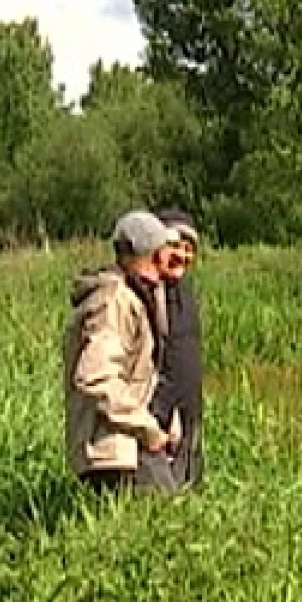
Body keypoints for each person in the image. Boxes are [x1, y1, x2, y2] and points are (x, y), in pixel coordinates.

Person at [63, 210, 181, 495]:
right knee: (164, 525)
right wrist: (147, 429)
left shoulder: (134, 295)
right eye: (167, 248)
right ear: (154, 253)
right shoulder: (114, 301)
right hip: (116, 453)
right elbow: (95, 377)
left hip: (124, 446)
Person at [152, 209, 206, 487]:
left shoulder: (184, 290)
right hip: (162, 418)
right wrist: (166, 413)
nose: (182, 255)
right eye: (174, 246)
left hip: (190, 412)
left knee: (191, 487)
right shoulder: (151, 293)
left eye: (188, 249)